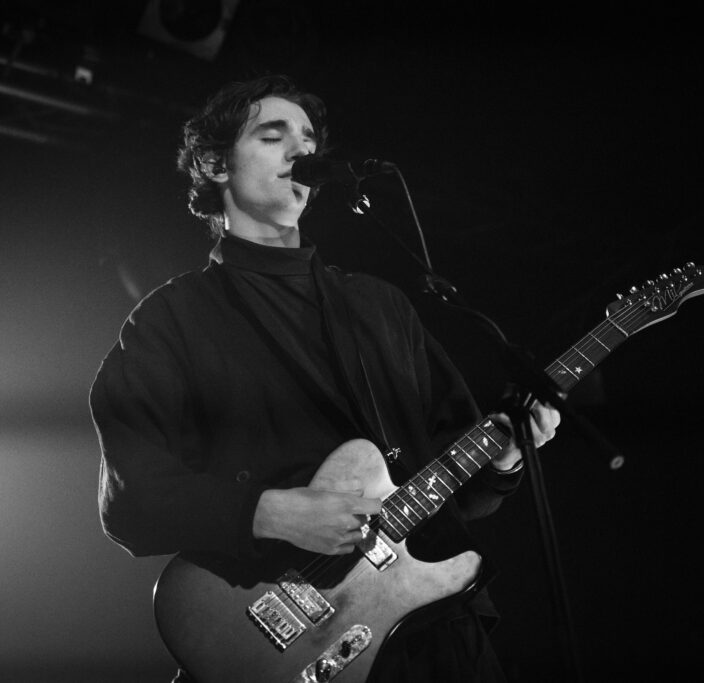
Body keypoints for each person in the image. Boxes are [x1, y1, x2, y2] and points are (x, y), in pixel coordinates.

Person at [89, 74, 560, 682]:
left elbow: (457, 485)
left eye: (308, 139)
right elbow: (129, 502)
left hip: (438, 630)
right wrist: (265, 512)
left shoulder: (380, 306)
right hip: (288, 642)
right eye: (273, 135)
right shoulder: (169, 322)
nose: (301, 152)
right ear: (215, 164)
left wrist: (504, 460)